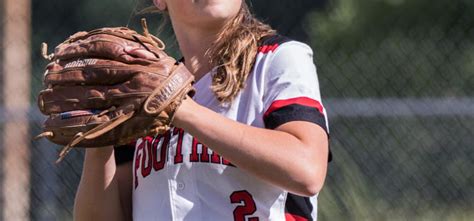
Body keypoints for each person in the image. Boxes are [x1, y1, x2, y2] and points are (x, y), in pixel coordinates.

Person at [73, 0, 330, 220]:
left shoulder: (276, 59)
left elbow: (306, 170)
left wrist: (181, 108)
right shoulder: (140, 92)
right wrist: (99, 142)